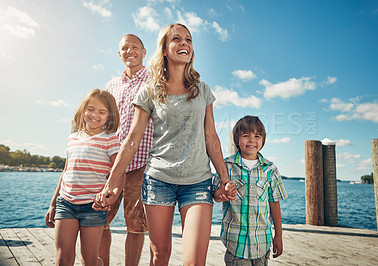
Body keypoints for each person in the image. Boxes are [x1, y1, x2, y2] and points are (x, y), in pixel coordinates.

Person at [95, 23, 236, 265]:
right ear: (163, 49)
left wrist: (223, 178)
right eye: (177, 39)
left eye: (188, 40)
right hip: (158, 180)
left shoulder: (203, 91)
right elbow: (131, 141)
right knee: (160, 256)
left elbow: (211, 137)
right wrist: (110, 184)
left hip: (198, 183)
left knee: (194, 261)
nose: (184, 43)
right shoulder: (149, 92)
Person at [45, 89, 122, 266]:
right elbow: (65, 172)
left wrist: (114, 194)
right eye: (91, 109)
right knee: (63, 258)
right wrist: (53, 203)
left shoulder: (110, 139)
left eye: (102, 112)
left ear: (109, 116)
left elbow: (119, 173)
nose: (95, 115)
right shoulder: (72, 138)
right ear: (83, 110)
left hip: (93, 206)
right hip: (66, 203)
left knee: (89, 260)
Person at [99, 34, 154, 266]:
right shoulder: (111, 85)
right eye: (124, 48)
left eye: (134, 47)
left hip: (142, 164)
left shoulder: (155, 80)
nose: (129, 51)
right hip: (112, 163)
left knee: (136, 225)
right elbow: (106, 123)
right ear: (119, 54)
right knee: (100, 219)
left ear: (143, 52)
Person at [213, 115, 288, 266]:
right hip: (235, 243)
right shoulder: (227, 166)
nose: (252, 140)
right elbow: (215, 196)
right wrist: (222, 193)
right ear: (237, 139)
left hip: (262, 242)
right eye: (246, 135)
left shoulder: (270, 169)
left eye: (257, 136)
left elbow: (274, 204)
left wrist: (278, 235)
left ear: (263, 140)